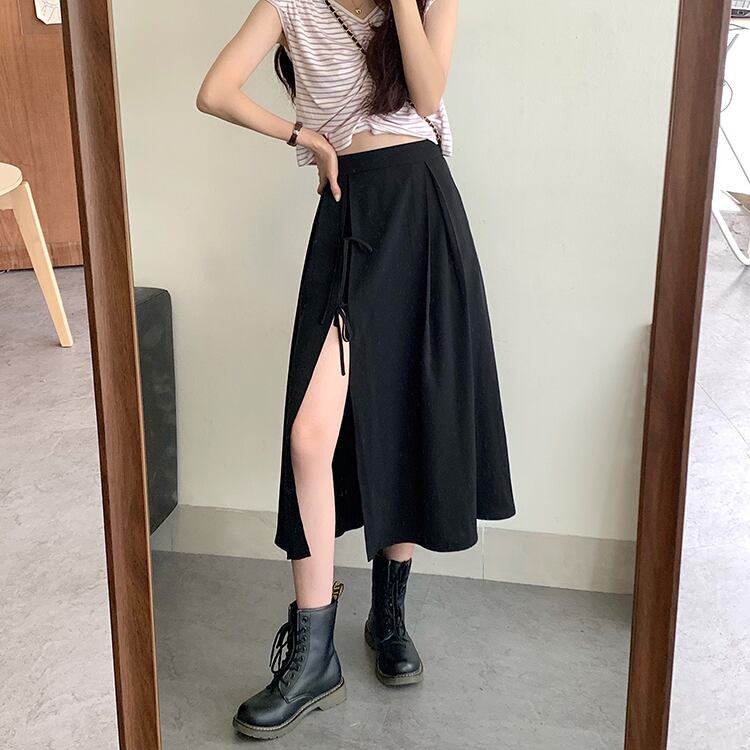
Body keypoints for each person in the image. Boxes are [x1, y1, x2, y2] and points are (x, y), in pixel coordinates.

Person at [196, 0, 515, 739]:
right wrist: (305, 136)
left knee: (407, 410)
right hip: (349, 214)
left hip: (423, 211)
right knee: (311, 437)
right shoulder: (293, 5)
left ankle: (389, 616)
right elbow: (215, 91)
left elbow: (428, 97)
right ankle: (313, 656)